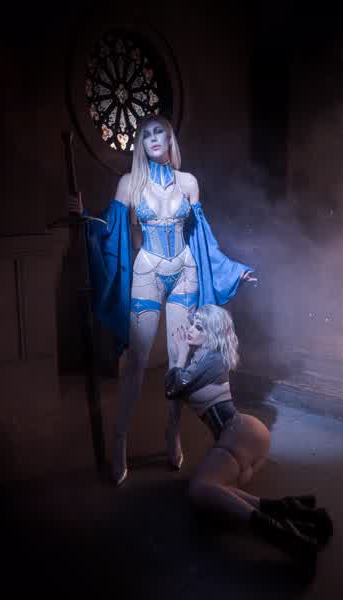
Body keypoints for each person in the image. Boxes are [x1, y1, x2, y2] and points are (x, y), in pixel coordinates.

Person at [70, 114, 256, 486]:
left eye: (160, 132)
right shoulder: (129, 183)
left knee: (179, 361)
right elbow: (111, 231)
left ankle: (173, 432)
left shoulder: (188, 183)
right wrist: (85, 218)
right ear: (141, 143)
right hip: (148, 271)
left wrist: (233, 270)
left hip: (185, 270)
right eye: (147, 134)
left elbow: (202, 237)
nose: (154, 138)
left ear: (170, 139)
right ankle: (120, 442)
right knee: (137, 361)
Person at [166, 304, 333, 564]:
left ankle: (291, 540)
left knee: (199, 489)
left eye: (199, 327)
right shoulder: (205, 357)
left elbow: (174, 388)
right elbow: (177, 385)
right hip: (243, 435)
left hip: (240, 432)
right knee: (217, 491)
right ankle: (294, 511)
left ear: (213, 334)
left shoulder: (212, 358)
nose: (190, 330)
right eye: (192, 324)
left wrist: (180, 355)